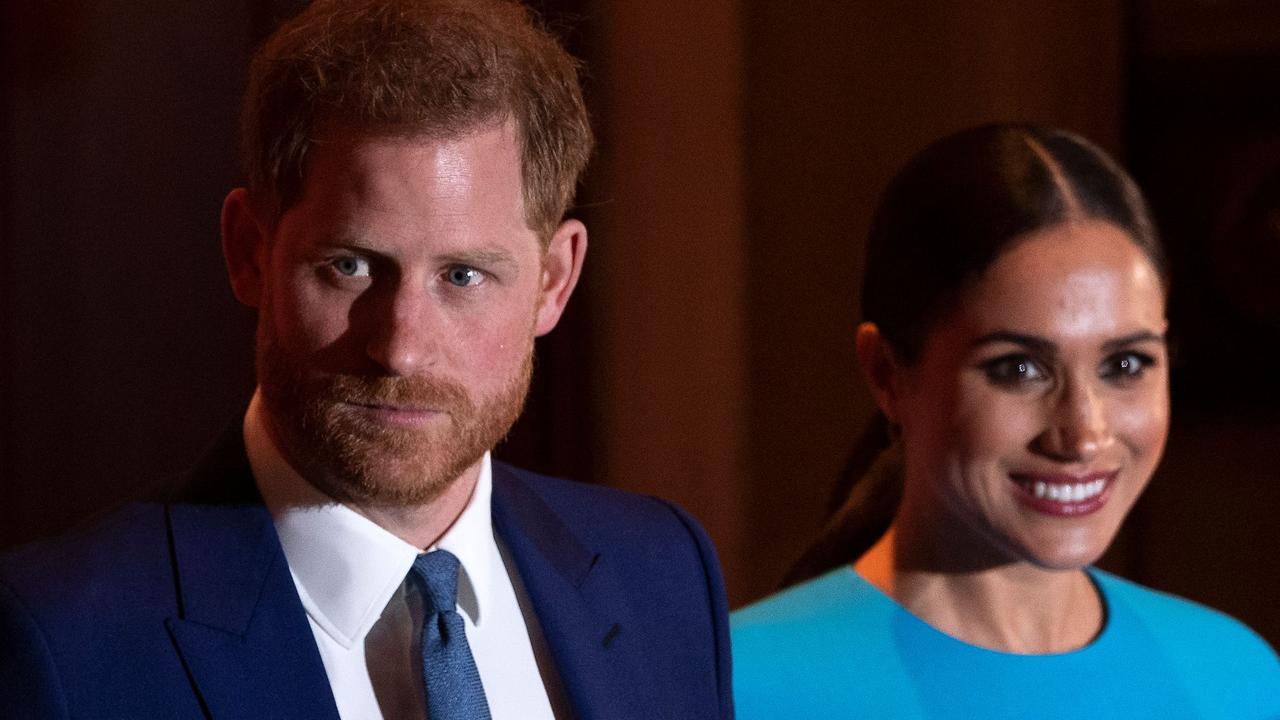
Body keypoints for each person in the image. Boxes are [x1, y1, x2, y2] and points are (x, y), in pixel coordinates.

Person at [0, 2, 732, 718]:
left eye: (463, 276)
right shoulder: (63, 645)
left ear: (553, 280)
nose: (401, 347)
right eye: (350, 266)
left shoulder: (663, 577)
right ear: (250, 251)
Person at [731, 124, 1280, 718]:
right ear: (887, 374)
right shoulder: (737, 686)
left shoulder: (1234, 678)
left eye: (1125, 363)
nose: (1083, 433)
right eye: (1018, 368)